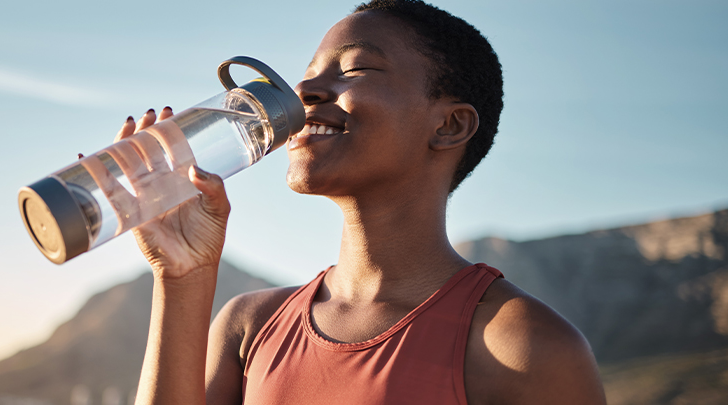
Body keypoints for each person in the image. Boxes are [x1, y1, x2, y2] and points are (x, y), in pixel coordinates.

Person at [116, 1, 606, 404]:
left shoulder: (523, 346)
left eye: (356, 69)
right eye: (308, 75)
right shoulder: (251, 326)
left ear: (449, 125)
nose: (304, 91)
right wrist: (181, 277)